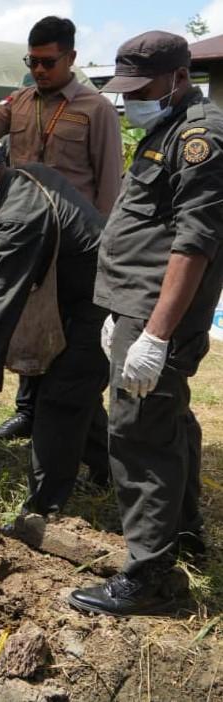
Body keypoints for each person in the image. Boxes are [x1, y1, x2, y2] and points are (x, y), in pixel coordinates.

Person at [67, 32, 223, 616]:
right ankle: (182, 533)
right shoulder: (168, 126)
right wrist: (120, 311)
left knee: (137, 434)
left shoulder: (201, 138)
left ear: (179, 79)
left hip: (158, 311)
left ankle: (148, 574)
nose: (131, 100)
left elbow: (193, 244)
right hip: (136, 305)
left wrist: (154, 334)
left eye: (142, 89)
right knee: (169, 419)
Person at [0, 15, 122, 443]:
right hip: (27, 231)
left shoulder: (95, 109)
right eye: (32, 61)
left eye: (47, 62)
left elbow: (109, 183)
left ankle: (77, 425)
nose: (39, 70)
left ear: (71, 58)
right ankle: (28, 411)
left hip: (73, 242)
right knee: (27, 322)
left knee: (66, 338)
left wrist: (104, 245)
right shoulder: (18, 101)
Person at [0, 136, 109, 519]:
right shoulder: (28, 177)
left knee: (59, 398)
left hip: (102, 303)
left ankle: (42, 507)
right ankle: (111, 467)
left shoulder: (20, 215)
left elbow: (1, 301)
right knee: (77, 391)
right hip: (80, 296)